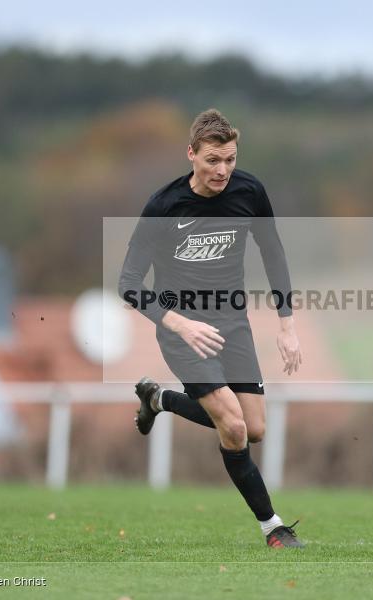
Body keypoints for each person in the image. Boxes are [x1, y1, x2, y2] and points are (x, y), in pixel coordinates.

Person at [118, 109, 304, 547]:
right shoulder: (164, 206)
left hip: (233, 324)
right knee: (234, 429)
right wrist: (178, 323)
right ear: (191, 154)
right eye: (213, 160)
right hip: (182, 330)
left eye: (230, 160)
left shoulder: (249, 191)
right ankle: (273, 528)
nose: (222, 171)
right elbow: (128, 283)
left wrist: (287, 324)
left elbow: (273, 252)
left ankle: (158, 398)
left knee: (254, 428)